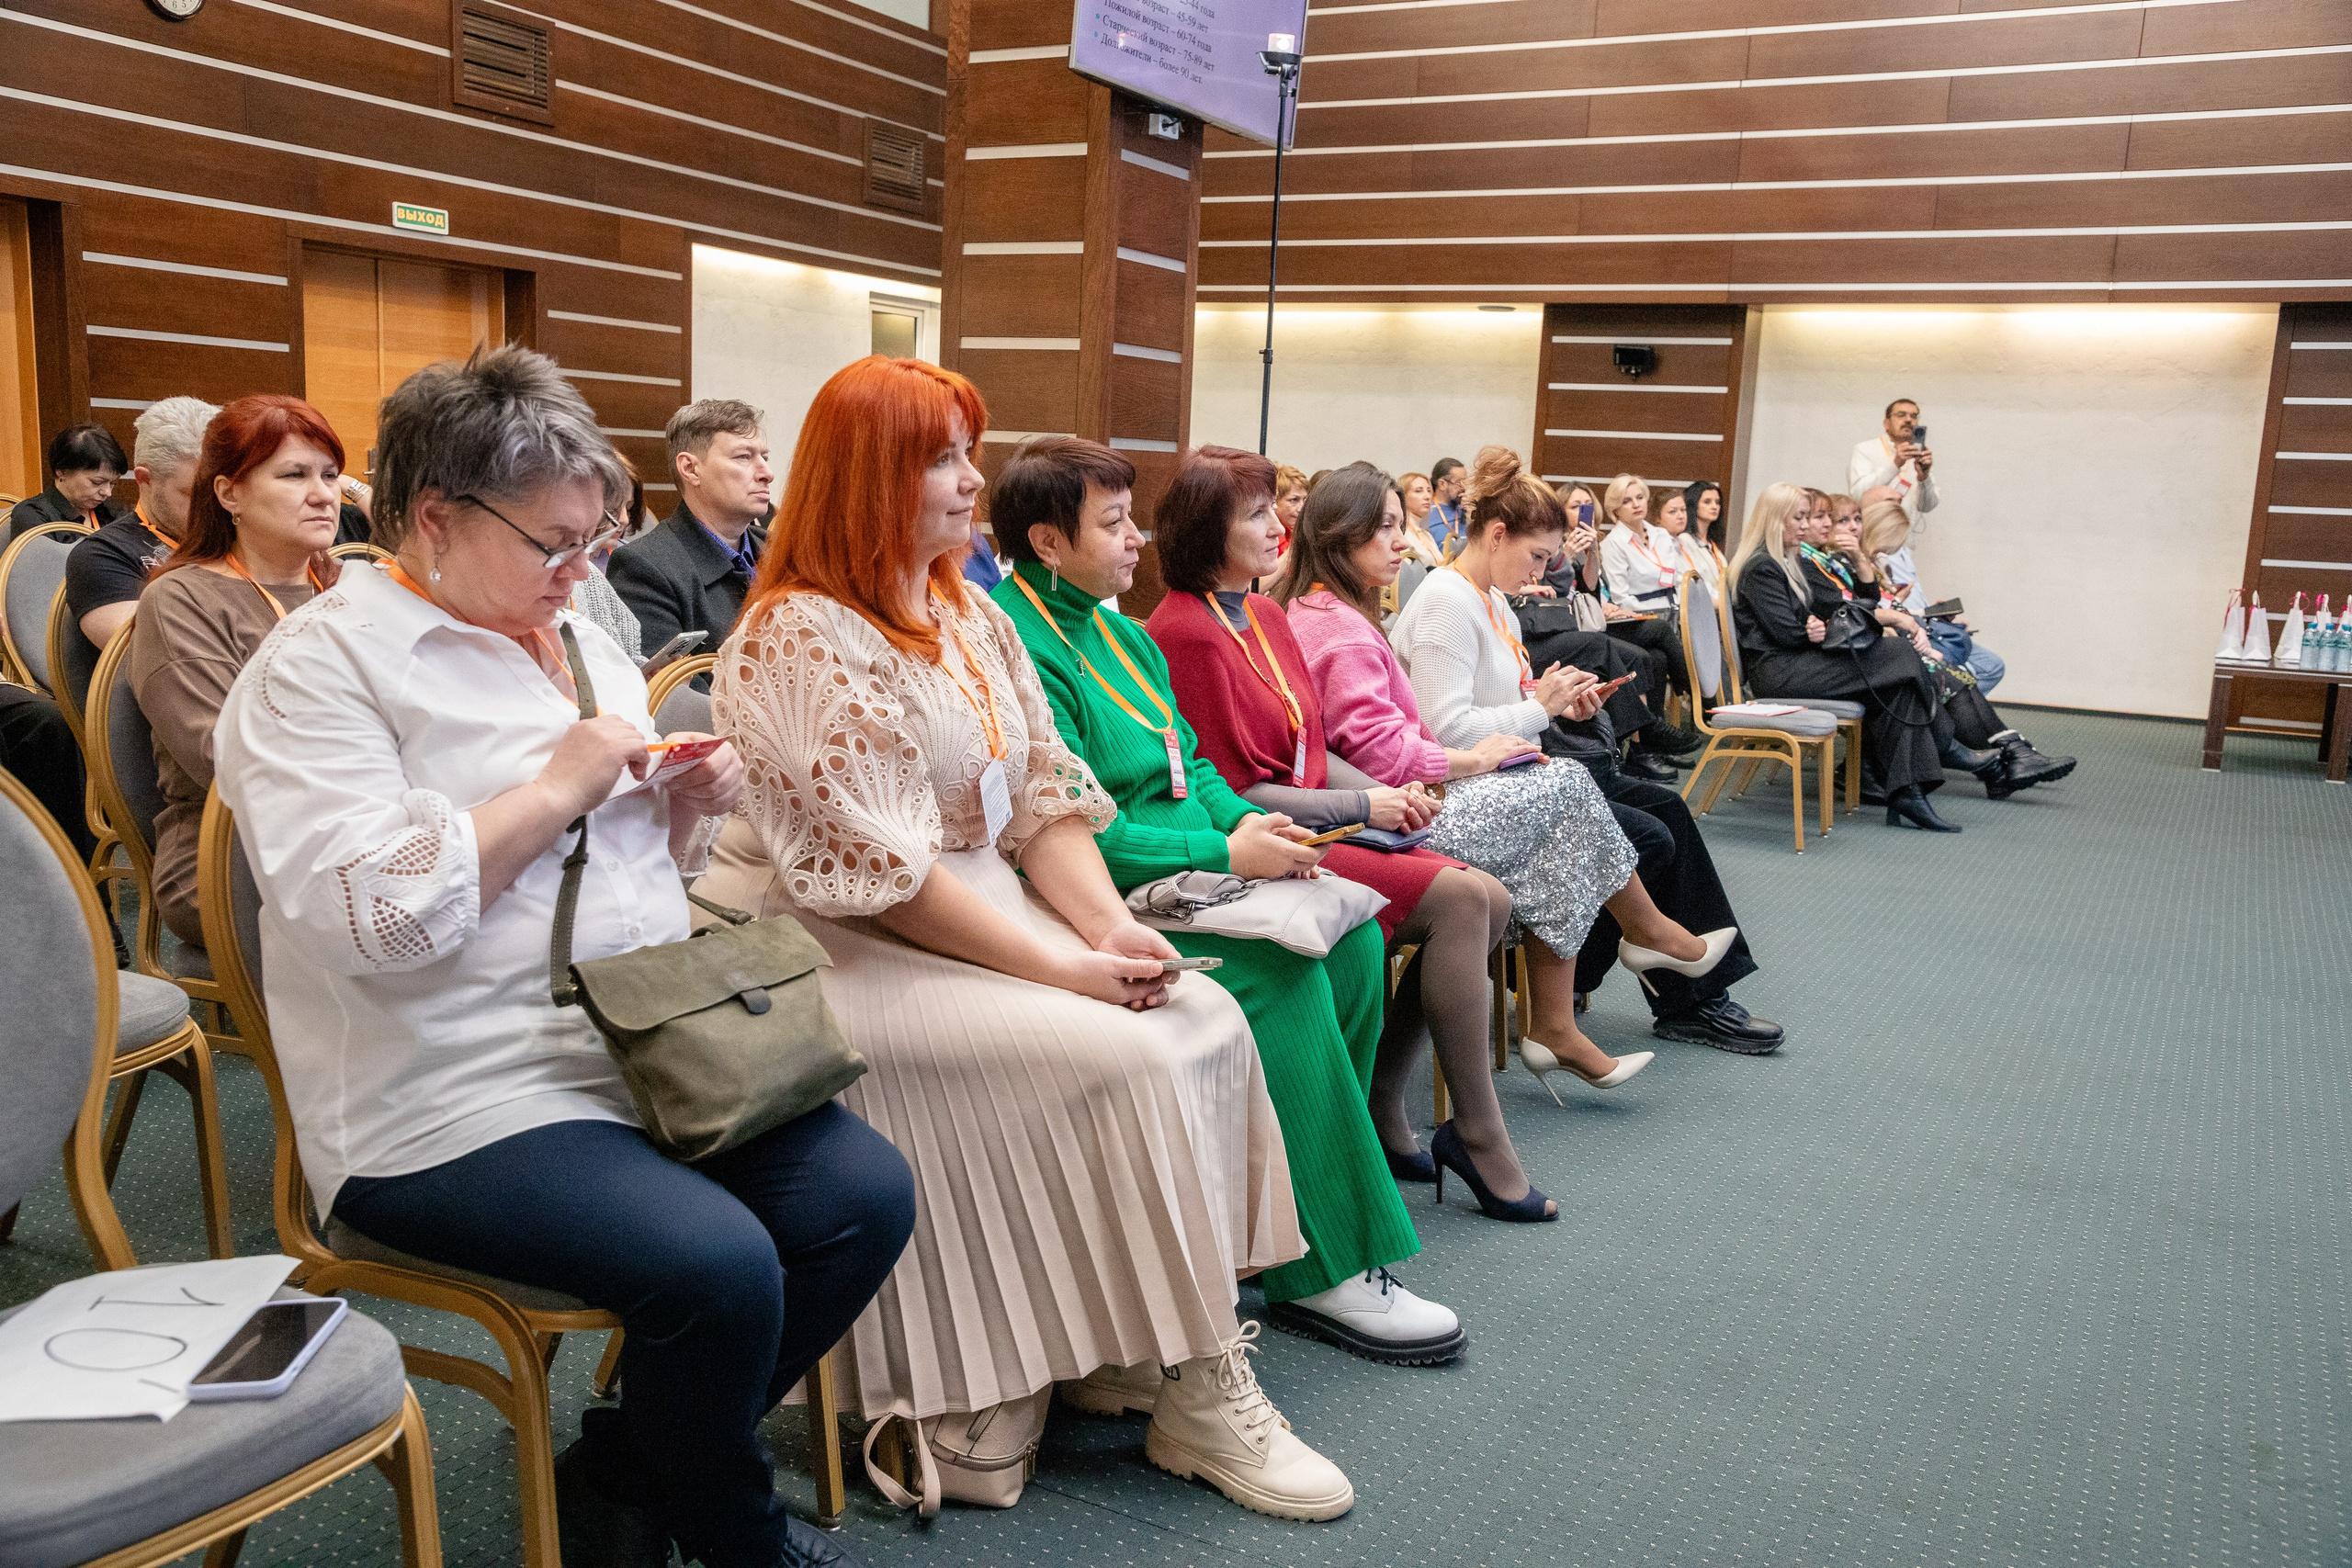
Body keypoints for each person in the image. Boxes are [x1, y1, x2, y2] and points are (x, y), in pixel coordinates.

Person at [212, 347, 901, 1568]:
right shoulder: (322, 668)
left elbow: (631, 882)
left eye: (596, 539)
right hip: (441, 1089)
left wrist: (680, 808)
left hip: (634, 1039)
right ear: (436, 517)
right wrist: (550, 791)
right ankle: (737, 1533)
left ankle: (629, 1468)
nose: (583, 570)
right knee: (718, 1265)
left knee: (861, 1199)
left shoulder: (576, 636)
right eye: (554, 543)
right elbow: (362, 923)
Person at [695, 356, 1355, 1524]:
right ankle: (1202, 1385)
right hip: (842, 947)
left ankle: (1133, 1337)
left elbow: (1046, 800)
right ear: (867, 478)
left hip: (979, 906)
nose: (971, 481)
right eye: (942, 460)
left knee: (1202, 1011)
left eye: (967, 453)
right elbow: (886, 879)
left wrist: (1111, 929)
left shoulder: (965, 609)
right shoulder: (795, 633)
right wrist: (1062, 966)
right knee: (1124, 1055)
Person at [994, 438, 1464, 1364]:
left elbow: (1194, 768)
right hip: (1103, 890)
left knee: (1355, 940)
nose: (1137, 541)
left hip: (1190, 865)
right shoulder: (1021, 646)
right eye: (1113, 524)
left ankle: (1282, 1210)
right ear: (1047, 543)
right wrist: (1223, 848)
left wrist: (1257, 829)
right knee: (1285, 968)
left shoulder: (1121, 635)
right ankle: (1326, 1262)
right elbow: (1064, 828)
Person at [1138, 444, 1528, 1219]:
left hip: (1316, 818)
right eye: (1256, 514)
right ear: (1207, 532)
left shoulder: (1262, 613)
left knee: (1493, 898)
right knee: (1462, 900)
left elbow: (1312, 748)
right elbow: (1233, 789)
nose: (1276, 526)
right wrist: (1361, 807)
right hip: (1266, 838)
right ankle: (1475, 1134)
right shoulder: (1184, 630)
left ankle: (1383, 1100)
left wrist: (1379, 795)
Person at [1389, 449, 1774, 1055]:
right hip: (1465, 786)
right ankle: (1575, 983)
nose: (1542, 572)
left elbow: (1504, 702)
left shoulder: (1490, 598)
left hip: (1513, 771)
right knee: (1646, 838)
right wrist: (1541, 709)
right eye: (1538, 555)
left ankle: (1669, 992)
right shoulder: (1447, 601)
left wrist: (1560, 704)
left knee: (1667, 810)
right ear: (1497, 535)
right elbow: (1444, 733)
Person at [126, 396, 346, 952]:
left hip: (359, 821)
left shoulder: (351, 588)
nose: (323, 494)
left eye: (330, 475)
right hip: (230, 852)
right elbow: (225, 757)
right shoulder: (181, 600)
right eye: (294, 475)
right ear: (229, 493)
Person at [1730, 482, 1957, 831]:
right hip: (1779, 672)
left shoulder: (1791, 560)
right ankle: (1942, 738)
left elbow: (1840, 606)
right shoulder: (1761, 567)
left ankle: (1908, 792)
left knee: (1897, 687)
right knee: (1899, 652)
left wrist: (1820, 623)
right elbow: (1786, 634)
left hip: (1801, 662)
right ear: (1775, 520)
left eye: (1807, 517)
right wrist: (1812, 628)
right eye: (1798, 518)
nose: (1805, 525)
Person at [1854, 498, 2073, 795]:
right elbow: (1865, 614)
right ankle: (2011, 760)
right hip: (1880, 653)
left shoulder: (1873, 565)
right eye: (1885, 546)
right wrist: (1900, 615)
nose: (1886, 552)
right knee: (1951, 679)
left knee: (1961, 677)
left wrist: (1913, 612)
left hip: (1901, 643)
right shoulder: (1856, 566)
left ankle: (2011, 759)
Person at [606, 399, 775, 661]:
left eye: (764, 457)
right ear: (690, 469)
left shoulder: (780, 549)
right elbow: (673, 685)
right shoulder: (644, 567)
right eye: (744, 457)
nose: (767, 473)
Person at [63, 397, 220, 652]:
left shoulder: (240, 535)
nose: (212, 506)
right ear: (144, 479)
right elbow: (153, 651)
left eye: (222, 490)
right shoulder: (101, 556)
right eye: (194, 494)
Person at [1854, 482, 2006, 693]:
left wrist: (1933, 614)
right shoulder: (1864, 564)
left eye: (1899, 501)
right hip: (1901, 635)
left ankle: (1953, 699)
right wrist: (1907, 610)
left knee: (1988, 665)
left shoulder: (1891, 554)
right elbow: (1874, 611)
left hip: (1917, 626)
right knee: (1970, 673)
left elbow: (1894, 608)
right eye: (1890, 502)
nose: (1898, 506)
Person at [8, 423, 130, 541]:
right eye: (97, 482)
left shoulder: (113, 511)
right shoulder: (32, 515)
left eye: (112, 483)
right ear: (62, 471)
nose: (108, 492)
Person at [1847, 398, 1938, 520]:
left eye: (1914, 416)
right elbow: (1857, 495)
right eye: (1901, 415)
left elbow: (1927, 507)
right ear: (1886, 423)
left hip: (1907, 530)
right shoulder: (1865, 449)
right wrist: (1895, 464)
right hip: (1872, 529)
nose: (1908, 420)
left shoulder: (1919, 455)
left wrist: (1924, 478)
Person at [1681, 480, 1728, 592]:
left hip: (1720, 599)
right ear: (1693, 505)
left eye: (1717, 502)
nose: (1714, 507)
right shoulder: (1685, 540)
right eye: (1707, 502)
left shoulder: (1711, 544)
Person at [1396, 471, 1445, 567]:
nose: (1428, 497)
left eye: (1429, 491)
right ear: (1403, 496)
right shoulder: (1400, 533)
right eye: (1419, 491)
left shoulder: (1426, 534)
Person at [1426, 456, 1465, 548]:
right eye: (1459, 482)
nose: (1464, 487)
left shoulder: (1466, 510)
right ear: (1442, 484)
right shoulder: (1427, 512)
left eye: (1465, 482)